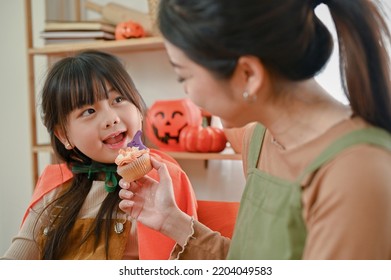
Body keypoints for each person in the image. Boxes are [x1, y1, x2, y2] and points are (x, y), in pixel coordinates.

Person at [118, 0, 391, 259]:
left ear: (248, 74)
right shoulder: (259, 138)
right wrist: (171, 220)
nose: (187, 93)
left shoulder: (358, 173)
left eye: (184, 76)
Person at [1, 50, 197, 260]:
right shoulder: (54, 187)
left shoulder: (163, 180)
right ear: (63, 135)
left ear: (139, 109)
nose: (111, 119)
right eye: (89, 111)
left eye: (118, 99)